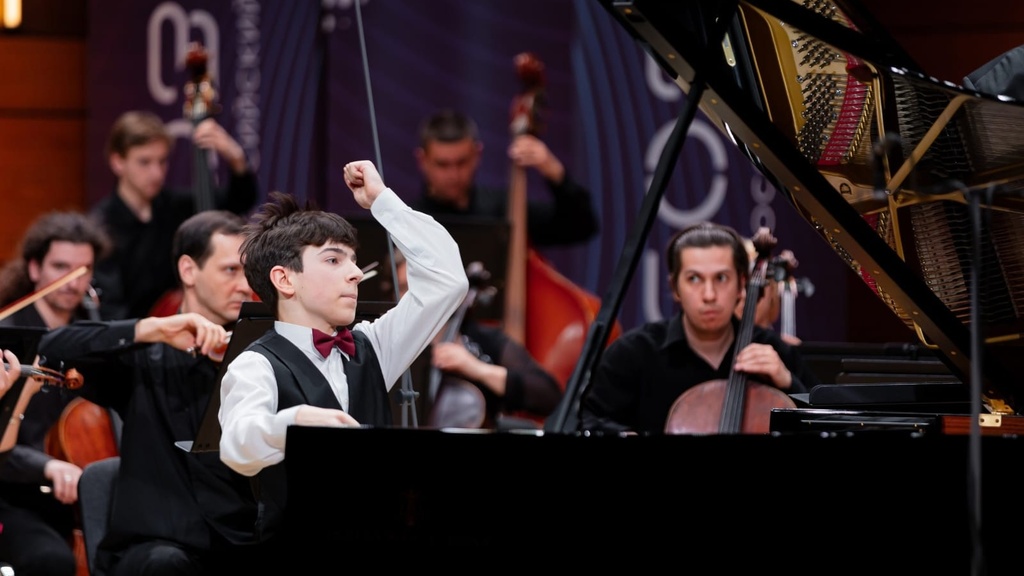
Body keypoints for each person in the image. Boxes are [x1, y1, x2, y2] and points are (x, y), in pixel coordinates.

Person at [218, 161, 468, 548]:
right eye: (334, 260)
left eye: (353, 260)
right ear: (284, 279)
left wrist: (383, 201)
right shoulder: (255, 364)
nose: (355, 273)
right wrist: (296, 422)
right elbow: (237, 444)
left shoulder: (373, 345)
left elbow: (448, 281)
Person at [36, 210, 263, 576]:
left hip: (236, 541)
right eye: (230, 270)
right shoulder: (143, 358)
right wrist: (151, 329)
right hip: (158, 548)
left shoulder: (257, 360)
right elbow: (52, 346)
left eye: (248, 272)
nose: (243, 285)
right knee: (166, 564)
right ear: (188, 270)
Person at [579, 222, 819, 434]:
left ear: (741, 285)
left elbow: (826, 423)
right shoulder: (634, 352)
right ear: (675, 287)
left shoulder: (772, 350)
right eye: (694, 279)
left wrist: (788, 382)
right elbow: (583, 419)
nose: (709, 295)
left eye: (721, 278)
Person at [0, 211, 112, 576]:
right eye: (60, 267)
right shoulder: (9, 339)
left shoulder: (93, 336)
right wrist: (47, 465)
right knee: (51, 561)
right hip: (15, 495)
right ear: (35, 269)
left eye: (82, 270)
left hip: (81, 495)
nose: (72, 282)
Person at [90, 110, 258, 321]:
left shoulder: (175, 206)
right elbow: (111, 308)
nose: (156, 173)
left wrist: (235, 157)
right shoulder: (102, 226)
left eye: (162, 162)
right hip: (135, 333)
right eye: (144, 162)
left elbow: (239, 200)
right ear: (118, 162)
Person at [391, 249, 562, 429]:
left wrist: (476, 368)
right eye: (403, 288)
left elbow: (550, 396)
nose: (412, 296)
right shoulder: (392, 344)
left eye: (422, 285)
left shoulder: (482, 340)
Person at [412, 108, 598, 247]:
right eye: (442, 164)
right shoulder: (409, 222)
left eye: (462, 162)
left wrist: (555, 172)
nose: (453, 174)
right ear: (422, 160)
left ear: (478, 155)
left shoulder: (505, 210)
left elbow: (582, 227)